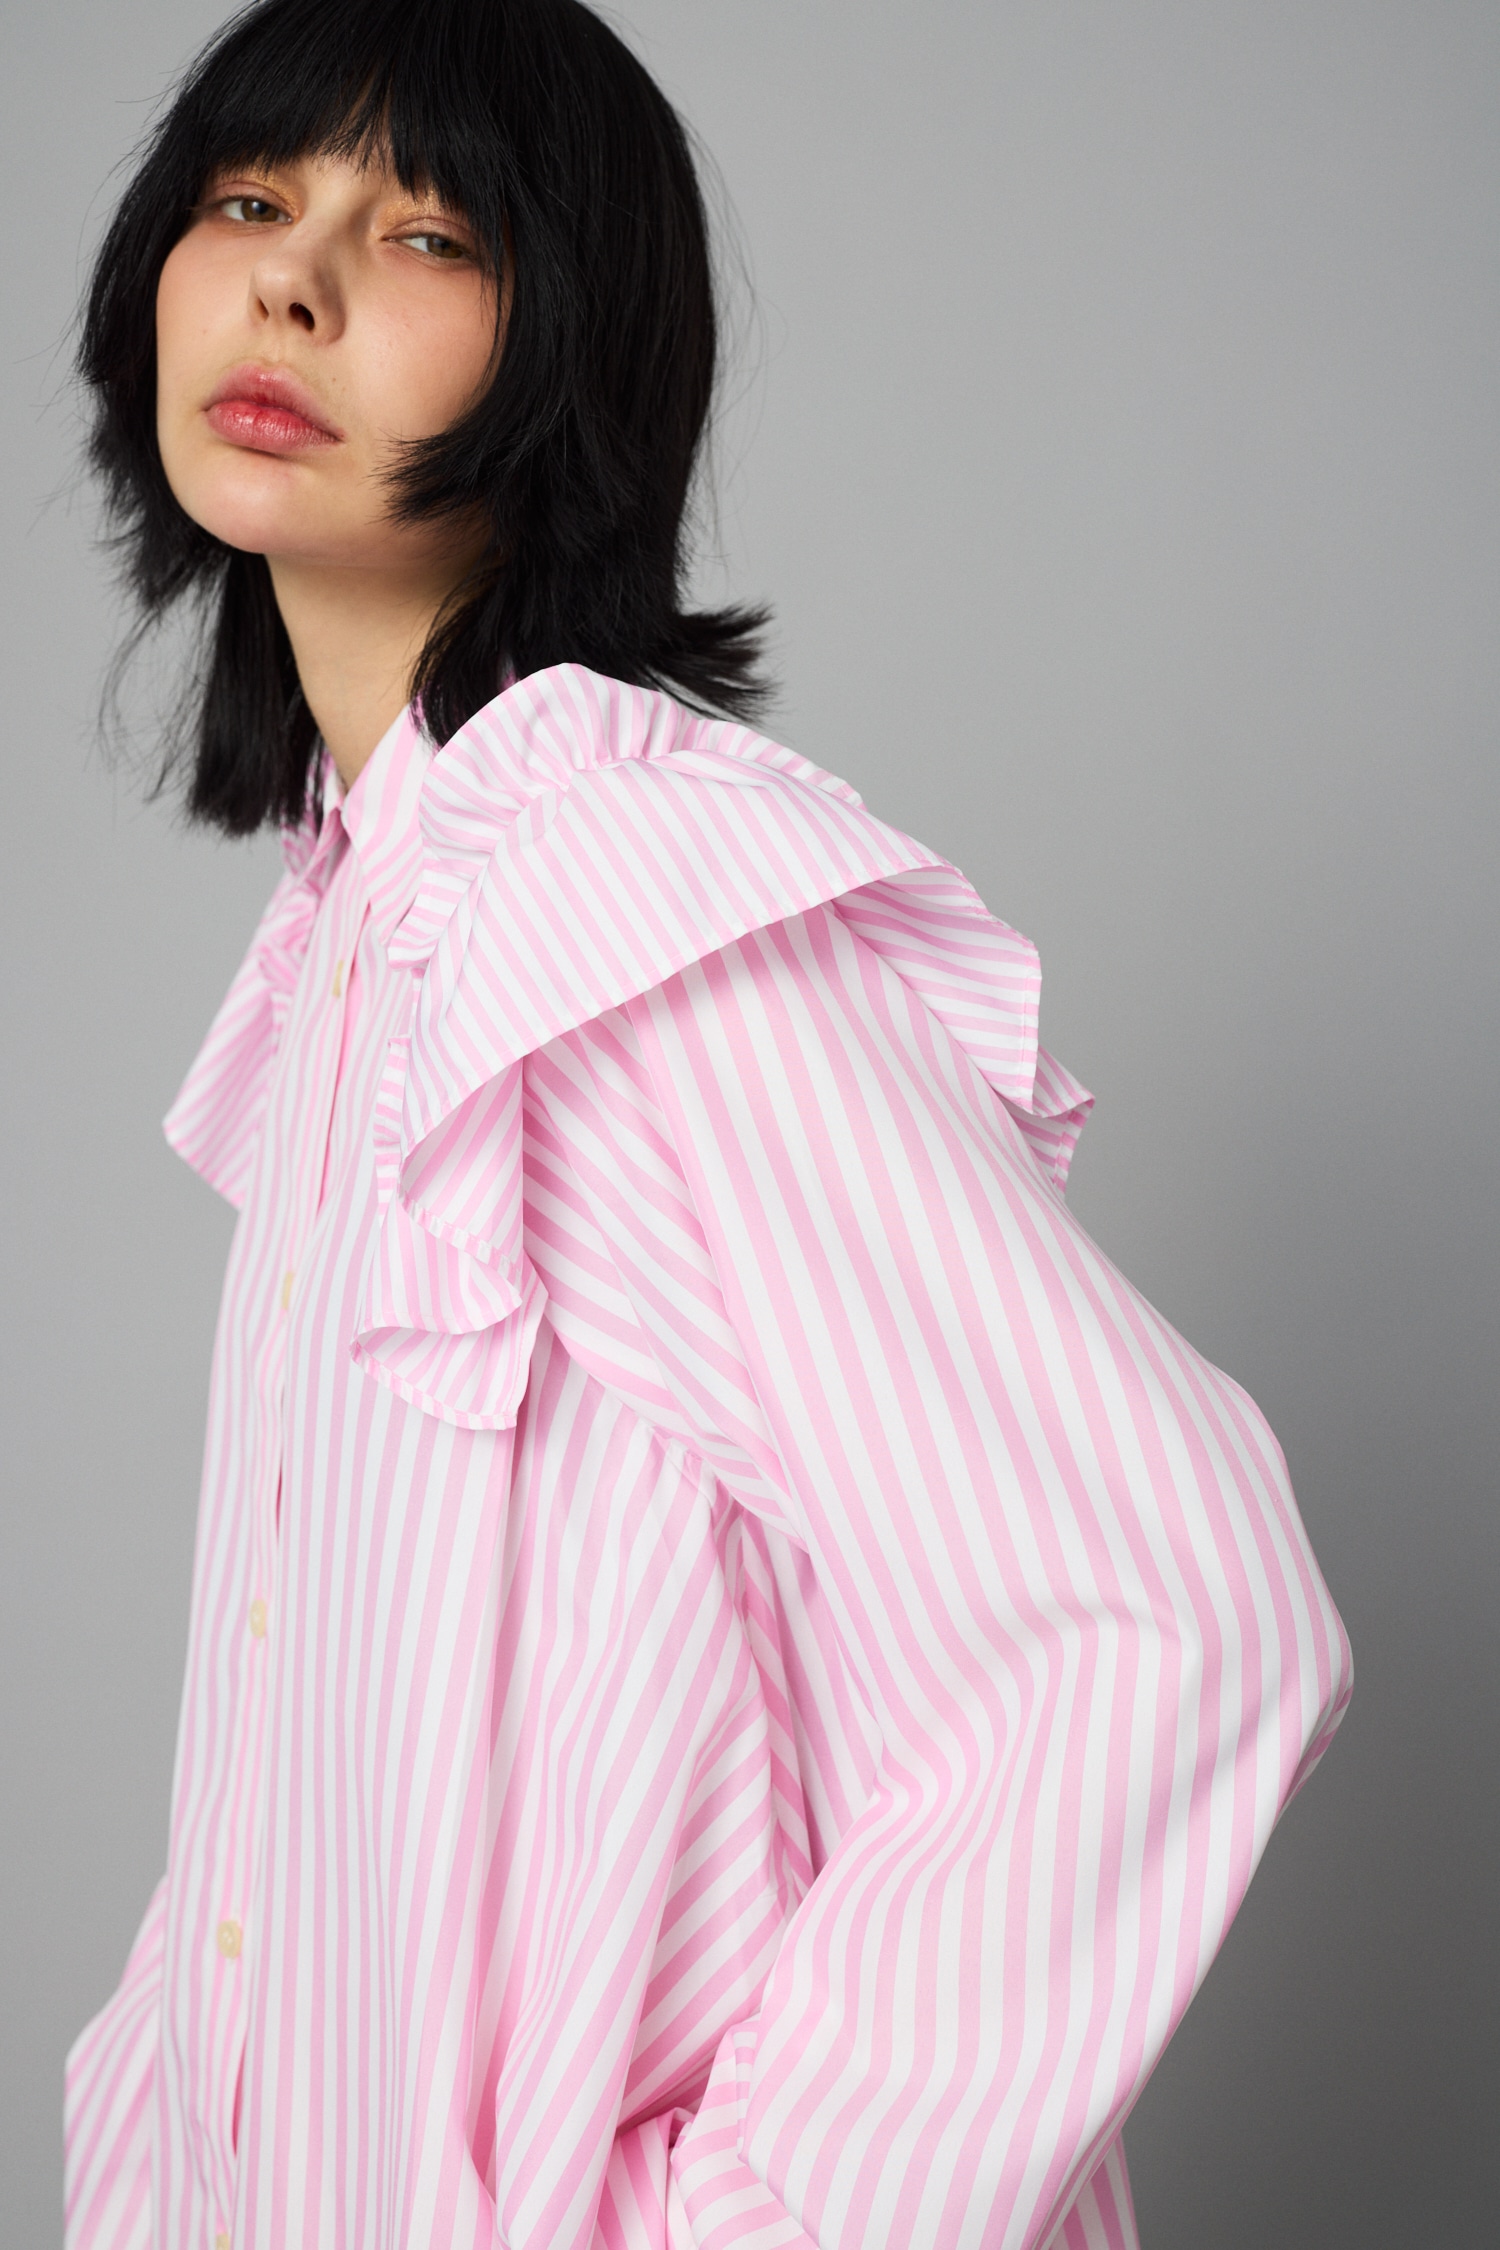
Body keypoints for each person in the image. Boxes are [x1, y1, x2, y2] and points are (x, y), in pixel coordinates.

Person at [62, 3, 1352, 2246]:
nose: (292, 280)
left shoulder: (617, 887)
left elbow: (1171, 1609)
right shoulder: (373, 916)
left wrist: (766, 2215)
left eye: (426, 232)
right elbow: (304, 1790)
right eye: (250, 199)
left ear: (572, 349)